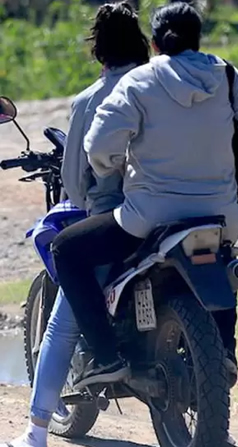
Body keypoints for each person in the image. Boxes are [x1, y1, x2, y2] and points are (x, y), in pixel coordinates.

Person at [51, 1, 238, 389]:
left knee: (67, 250)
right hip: (219, 216)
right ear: (197, 38)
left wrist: (112, 166)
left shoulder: (138, 82)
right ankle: (224, 350)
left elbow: (98, 148)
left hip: (147, 218)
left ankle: (106, 356)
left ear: (155, 44)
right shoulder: (226, 76)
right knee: (220, 260)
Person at [2, 4, 150, 447]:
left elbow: (74, 179)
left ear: (98, 49)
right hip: (174, 212)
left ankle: (36, 430)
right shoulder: (160, 87)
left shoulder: (89, 100)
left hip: (116, 219)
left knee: (59, 323)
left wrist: (89, 200)